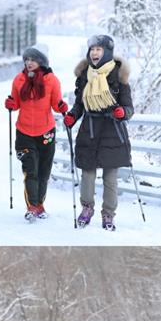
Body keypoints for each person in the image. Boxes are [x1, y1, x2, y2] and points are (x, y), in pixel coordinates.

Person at [63, 35, 134, 231]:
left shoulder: (119, 76)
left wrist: (122, 113)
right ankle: (87, 208)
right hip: (90, 131)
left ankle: (108, 214)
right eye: (92, 49)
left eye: (99, 49)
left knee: (110, 178)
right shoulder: (84, 75)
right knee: (87, 174)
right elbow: (79, 104)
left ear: (107, 52)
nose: (94, 52)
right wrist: (72, 116)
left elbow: (129, 108)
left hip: (113, 131)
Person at [5, 43, 68, 222]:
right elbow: (15, 104)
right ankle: (32, 206)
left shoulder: (52, 81)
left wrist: (62, 106)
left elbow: (56, 105)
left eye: (33, 59)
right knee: (30, 171)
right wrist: (10, 104)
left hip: (46, 133)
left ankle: (40, 204)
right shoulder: (19, 80)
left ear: (41, 61)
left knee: (43, 172)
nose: (29, 63)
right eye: (27, 59)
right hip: (24, 132)